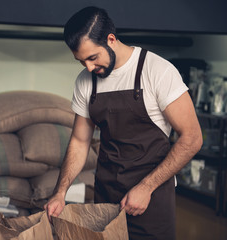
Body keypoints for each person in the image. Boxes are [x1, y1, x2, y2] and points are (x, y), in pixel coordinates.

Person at [44, 6, 203, 240]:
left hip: (152, 198)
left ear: (111, 39)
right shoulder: (86, 82)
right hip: (106, 195)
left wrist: (146, 187)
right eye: (81, 61)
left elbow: (192, 138)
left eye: (92, 57)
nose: (88, 68)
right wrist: (60, 192)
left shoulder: (158, 71)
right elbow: (79, 141)